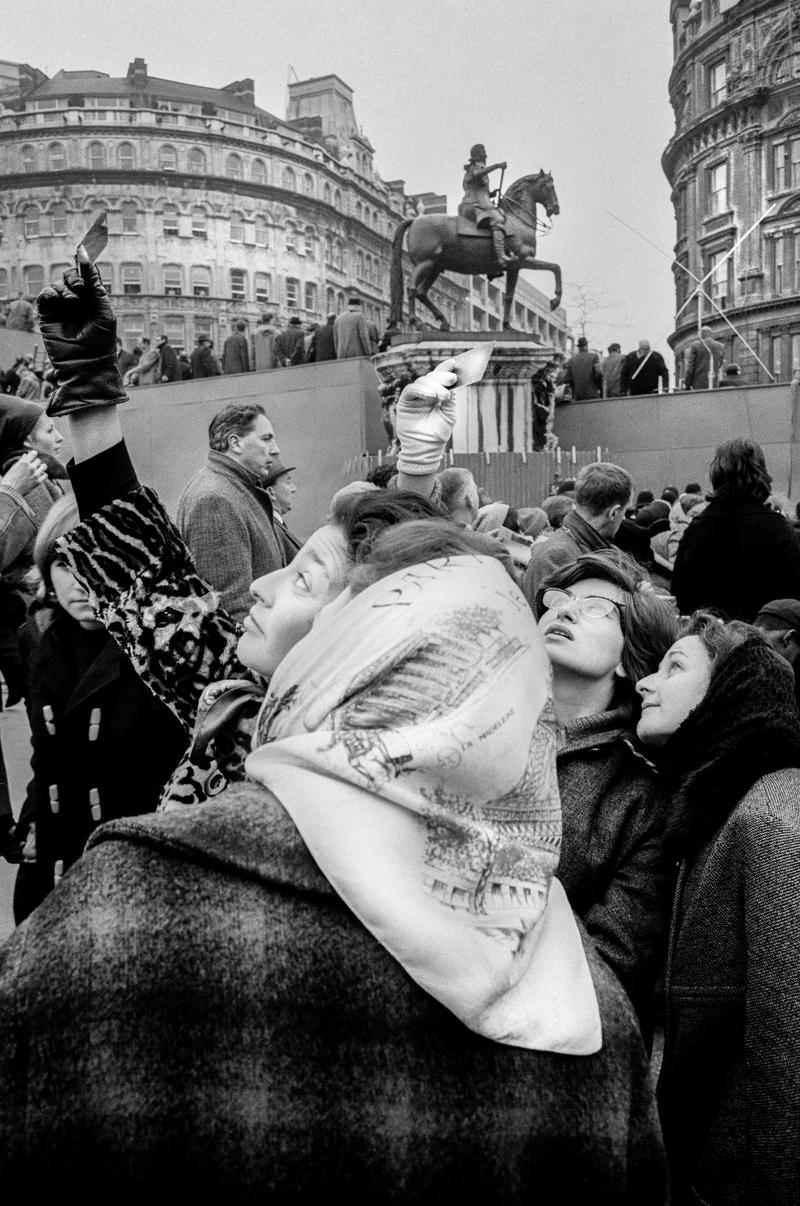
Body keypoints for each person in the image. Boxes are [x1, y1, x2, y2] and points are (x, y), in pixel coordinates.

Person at [0, 260, 671, 1197]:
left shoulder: (120, 911)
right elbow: (147, 571)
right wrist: (88, 382)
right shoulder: (581, 1013)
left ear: (354, 649)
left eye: (302, 576)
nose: (261, 585)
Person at [635, 613, 800, 1204]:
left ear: (733, 690)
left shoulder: (772, 820)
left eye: (674, 667)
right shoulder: (716, 810)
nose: (644, 684)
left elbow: (789, 1061)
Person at [10, 493, 187, 923]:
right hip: (58, 862)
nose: (81, 582)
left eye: (96, 563)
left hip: (134, 869)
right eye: (65, 564)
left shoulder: (163, 648)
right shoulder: (38, 639)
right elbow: (46, 751)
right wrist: (33, 817)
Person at [532, 549, 679, 1042]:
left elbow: (615, 961)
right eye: (558, 600)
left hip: (545, 1041)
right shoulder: (471, 725)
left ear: (627, 658)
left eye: (596, 607)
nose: (564, 611)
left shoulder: (641, 795)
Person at [671, 436, 800, 621]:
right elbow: (792, 600)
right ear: (761, 472)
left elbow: (681, 595)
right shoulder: (779, 529)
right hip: (763, 639)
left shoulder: (697, 529)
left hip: (709, 638)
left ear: (716, 474)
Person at [177, 402, 284, 621]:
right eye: (266, 439)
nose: (276, 449)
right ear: (235, 443)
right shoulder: (215, 499)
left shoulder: (230, 488)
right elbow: (230, 609)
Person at [0, 398, 69, 707]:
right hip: (43, 624)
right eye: (51, 430)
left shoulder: (39, 477)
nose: (60, 438)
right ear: (27, 439)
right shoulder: (31, 481)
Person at [522, 462, 633, 605]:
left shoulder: (582, 546)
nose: (623, 518)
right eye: (625, 511)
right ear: (614, 513)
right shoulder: (559, 557)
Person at [458, 142, 510, 268]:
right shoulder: (473, 170)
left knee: (501, 216)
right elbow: (477, 175)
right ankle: (501, 256)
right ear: (478, 159)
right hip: (472, 206)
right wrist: (497, 166)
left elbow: (481, 191)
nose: (484, 162)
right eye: (482, 159)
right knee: (497, 220)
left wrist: (492, 194)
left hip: (479, 204)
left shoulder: (479, 170)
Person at [264, 459, 302, 563]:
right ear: (271, 492)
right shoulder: (271, 530)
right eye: (288, 482)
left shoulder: (275, 525)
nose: (294, 488)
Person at [683, 325, 724, 391]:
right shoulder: (721, 346)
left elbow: (690, 368)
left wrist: (687, 384)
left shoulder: (695, 346)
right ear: (711, 334)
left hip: (698, 385)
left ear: (701, 334)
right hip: (715, 383)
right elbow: (720, 364)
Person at [563, 336, 602, 401]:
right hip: (592, 395)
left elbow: (567, 378)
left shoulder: (571, 361)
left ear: (579, 347)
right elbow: (598, 373)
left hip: (577, 396)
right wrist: (599, 388)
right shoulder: (594, 357)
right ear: (586, 345)